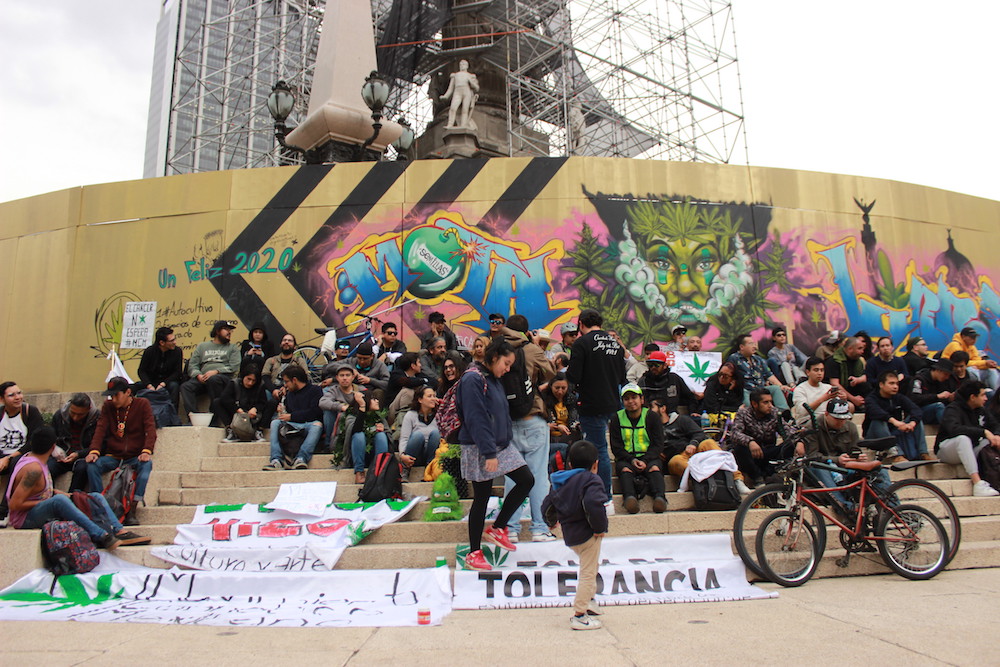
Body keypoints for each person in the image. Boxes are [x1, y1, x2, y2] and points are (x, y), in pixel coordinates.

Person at [459, 339, 534, 571]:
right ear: (494, 358)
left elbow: (500, 412)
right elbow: (476, 417)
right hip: (481, 446)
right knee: (481, 497)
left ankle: (498, 527)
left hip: (500, 444)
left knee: (526, 480)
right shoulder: (473, 378)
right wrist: (489, 452)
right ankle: (474, 552)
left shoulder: (492, 378)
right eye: (506, 363)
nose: (508, 368)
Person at [7, 427, 149, 549]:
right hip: (24, 519)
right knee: (59, 501)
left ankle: (119, 531)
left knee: (94, 496)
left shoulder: (38, 462)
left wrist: (57, 493)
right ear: (52, 447)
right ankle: (102, 536)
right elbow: (14, 504)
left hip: (40, 508)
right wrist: (51, 501)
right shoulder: (33, 469)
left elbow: (38, 492)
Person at [500, 315, 557, 542]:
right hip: (532, 417)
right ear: (526, 332)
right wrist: (533, 345)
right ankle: (540, 528)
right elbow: (551, 373)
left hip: (506, 420)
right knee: (538, 475)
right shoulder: (530, 349)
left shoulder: (497, 348)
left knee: (512, 477)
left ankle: (511, 529)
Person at [541, 440, 607, 631]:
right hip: (588, 533)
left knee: (592, 565)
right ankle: (580, 614)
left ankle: (590, 601)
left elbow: (546, 505)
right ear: (595, 464)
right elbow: (593, 505)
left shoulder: (560, 480)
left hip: (570, 534)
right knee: (588, 572)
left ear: (570, 464)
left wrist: (552, 523)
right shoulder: (592, 480)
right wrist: (599, 528)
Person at [566, 309, 626, 507]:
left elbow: (573, 376)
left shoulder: (582, 343)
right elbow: (621, 376)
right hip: (613, 402)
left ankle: (604, 498)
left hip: (592, 403)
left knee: (598, 450)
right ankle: (604, 496)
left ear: (581, 323)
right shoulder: (615, 344)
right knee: (602, 450)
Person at [86, 378, 157, 526]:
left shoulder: (142, 404)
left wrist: (146, 450)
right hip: (113, 456)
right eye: (111, 396)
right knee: (93, 466)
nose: (113, 399)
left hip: (134, 456)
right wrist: (94, 451)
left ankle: (132, 509)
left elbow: (150, 429)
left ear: (128, 392)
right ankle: (101, 506)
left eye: (116, 395)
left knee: (146, 467)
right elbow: (100, 429)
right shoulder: (108, 406)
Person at [800, 398, 892, 505]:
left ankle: (893, 508)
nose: (841, 422)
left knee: (881, 471)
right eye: (837, 419)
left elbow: (855, 450)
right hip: (824, 467)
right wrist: (836, 459)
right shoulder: (812, 427)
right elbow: (812, 456)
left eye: (844, 418)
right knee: (818, 468)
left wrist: (857, 457)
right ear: (826, 414)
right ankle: (844, 505)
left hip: (847, 467)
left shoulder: (850, 427)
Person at [653, 399, 751, 495]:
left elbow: (699, 434)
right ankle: (709, 482)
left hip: (693, 451)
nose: (649, 411)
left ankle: (737, 479)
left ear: (663, 409)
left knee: (708, 443)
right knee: (676, 462)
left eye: (652, 407)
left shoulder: (681, 420)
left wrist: (693, 444)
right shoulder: (651, 428)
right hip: (677, 457)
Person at [934, 380, 1000, 497]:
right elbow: (954, 429)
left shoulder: (981, 410)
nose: (986, 398)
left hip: (970, 450)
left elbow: (994, 425)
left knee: (988, 441)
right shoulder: (953, 409)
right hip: (948, 450)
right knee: (963, 439)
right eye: (982, 395)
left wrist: (996, 436)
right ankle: (977, 483)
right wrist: (983, 432)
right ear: (973, 397)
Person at [608, 384, 667, 514]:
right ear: (623, 402)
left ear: (642, 399)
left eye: (634, 397)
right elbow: (616, 447)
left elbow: (658, 444)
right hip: (626, 458)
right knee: (625, 469)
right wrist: (631, 459)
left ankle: (660, 498)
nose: (631, 402)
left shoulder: (652, 417)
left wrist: (645, 460)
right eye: (627, 399)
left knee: (655, 468)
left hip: (649, 457)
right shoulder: (616, 418)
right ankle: (630, 499)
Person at [727, 388, 801, 486]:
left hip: (768, 451)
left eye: (771, 402)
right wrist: (750, 442)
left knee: (790, 445)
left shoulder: (774, 412)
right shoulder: (743, 414)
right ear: (754, 404)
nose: (770, 406)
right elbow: (735, 433)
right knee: (739, 449)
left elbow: (787, 430)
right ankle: (758, 478)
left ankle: (774, 475)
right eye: (765, 402)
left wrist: (799, 442)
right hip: (750, 454)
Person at [263, 365, 323, 471]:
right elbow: (289, 412)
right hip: (293, 424)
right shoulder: (290, 393)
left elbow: (315, 412)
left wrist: (292, 416)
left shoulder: (315, 390)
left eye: (287, 382)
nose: (285, 385)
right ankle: (276, 459)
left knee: (317, 425)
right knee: (275, 423)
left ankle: (301, 458)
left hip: (308, 424)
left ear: (294, 380)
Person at [0, 381, 45, 524]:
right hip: (2, 454)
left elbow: (34, 441)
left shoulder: (30, 412)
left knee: (15, 463)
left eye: (19, 393)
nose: (18, 397)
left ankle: (4, 511)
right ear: (2, 399)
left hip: (23, 455)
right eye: (12, 395)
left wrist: (8, 458)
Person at [181, 320, 240, 423]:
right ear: (217, 331)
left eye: (230, 330)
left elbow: (234, 367)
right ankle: (193, 418)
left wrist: (216, 371)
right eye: (226, 329)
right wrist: (198, 375)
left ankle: (214, 418)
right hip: (203, 378)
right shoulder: (202, 346)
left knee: (214, 379)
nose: (229, 332)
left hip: (222, 379)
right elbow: (192, 365)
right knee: (185, 387)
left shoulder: (233, 348)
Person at [864, 371, 928, 462]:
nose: (895, 386)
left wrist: (912, 423)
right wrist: (895, 422)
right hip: (875, 435)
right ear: (881, 384)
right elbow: (876, 412)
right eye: (891, 383)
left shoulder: (899, 397)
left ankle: (923, 453)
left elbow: (916, 410)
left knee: (917, 420)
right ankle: (896, 455)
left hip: (894, 432)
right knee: (879, 420)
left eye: (897, 384)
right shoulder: (871, 398)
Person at [49, 393, 100, 492]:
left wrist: (79, 454)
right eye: (73, 413)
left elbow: (101, 444)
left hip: (83, 456)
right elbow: (51, 437)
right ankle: (48, 497)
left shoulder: (98, 418)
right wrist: (55, 449)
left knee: (83, 468)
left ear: (88, 409)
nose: (75, 417)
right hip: (62, 455)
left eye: (80, 415)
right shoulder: (60, 416)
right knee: (48, 467)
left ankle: (73, 499)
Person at [727, 334, 790, 410]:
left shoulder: (758, 359)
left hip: (761, 388)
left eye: (754, 343)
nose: (754, 346)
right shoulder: (734, 358)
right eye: (750, 344)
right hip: (747, 390)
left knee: (776, 389)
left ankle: (784, 415)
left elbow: (769, 375)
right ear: (742, 347)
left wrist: (780, 386)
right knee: (744, 394)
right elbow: (729, 374)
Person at [213, 364, 270, 442]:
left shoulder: (260, 386)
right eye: (248, 379)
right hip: (237, 414)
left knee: (272, 403)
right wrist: (237, 410)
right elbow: (225, 398)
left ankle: (259, 431)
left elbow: (263, 402)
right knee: (217, 402)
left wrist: (255, 409)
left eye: (253, 381)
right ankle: (231, 431)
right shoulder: (234, 383)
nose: (250, 383)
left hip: (253, 416)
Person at [348, 392, 390, 485]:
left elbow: (390, 441)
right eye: (373, 399)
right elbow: (355, 430)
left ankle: (380, 471)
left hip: (374, 455)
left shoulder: (379, 417)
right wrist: (362, 407)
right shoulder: (351, 415)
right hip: (356, 455)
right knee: (359, 435)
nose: (377, 401)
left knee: (381, 435)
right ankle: (359, 473)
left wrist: (383, 431)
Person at [136, 326, 184, 407]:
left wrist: (163, 384)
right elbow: (141, 371)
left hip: (167, 382)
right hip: (151, 381)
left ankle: (173, 415)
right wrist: (148, 384)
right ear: (162, 343)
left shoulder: (177, 351)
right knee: (134, 387)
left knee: (174, 386)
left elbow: (177, 372)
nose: (175, 342)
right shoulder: (149, 351)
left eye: (174, 339)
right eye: (171, 340)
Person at [399, 386, 440, 479]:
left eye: (434, 396)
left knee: (436, 433)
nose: (433, 398)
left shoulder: (438, 415)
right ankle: (405, 470)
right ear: (420, 400)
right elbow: (404, 438)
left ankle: (430, 469)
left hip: (431, 454)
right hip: (415, 454)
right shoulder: (410, 415)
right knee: (418, 435)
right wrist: (402, 455)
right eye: (429, 396)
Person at [942, 326, 1000, 391]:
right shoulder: (955, 345)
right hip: (952, 371)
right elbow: (962, 363)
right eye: (972, 337)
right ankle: (977, 391)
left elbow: (977, 360)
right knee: (972, 370)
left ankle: (997, 393)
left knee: (991, 370)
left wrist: (986, 365)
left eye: (975, 337)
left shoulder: (971, 346)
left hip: (964, 369)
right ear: (963, 337)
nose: (974, 340)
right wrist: (984, 363)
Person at [791, 356, 843, 426]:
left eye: (822, 370)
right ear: (808, 372)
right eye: (816, 370)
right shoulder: (800, 389)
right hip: (808, 421)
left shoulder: (828, 387)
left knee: (849, 423)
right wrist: (823, 399)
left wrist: (843, 400)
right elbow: (802, 412)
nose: (819, 373)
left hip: (828, 420)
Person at [824, 336, 871, 410]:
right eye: (859, 349)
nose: (862, 352)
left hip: (853, 391)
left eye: (863, 349)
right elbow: (834, 383)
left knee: (867, 386)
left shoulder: (859, 361)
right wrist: (853, 399)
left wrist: (858, 379)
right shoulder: (833, 361)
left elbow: (866, 376)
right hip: (837, 395)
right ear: (850, 349)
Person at [910, 358, 958, 425]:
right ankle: (950, 430)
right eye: (945, 374)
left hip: (934, 413)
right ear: (938, 370)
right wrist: (937, 396)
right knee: (939, 406)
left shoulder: (942, 382)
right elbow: (914, 398)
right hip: (918, 412)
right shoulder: (919, 379)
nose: (947, 377)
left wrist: (949, 398)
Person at [261, 333, 309, 398]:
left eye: (290, 341)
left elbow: (305, 378)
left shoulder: (300, 361)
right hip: (273, 390)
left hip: (292, 391)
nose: (286, 342)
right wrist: (273, 390)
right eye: (284, 340)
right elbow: (265, 376)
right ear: (280, 344)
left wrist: (287, 388)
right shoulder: (271, 360)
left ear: (295, 346)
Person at [542, 374, 580, 447]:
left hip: (569, 435)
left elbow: (574, 419)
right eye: (557, 388)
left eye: (563, 388)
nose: (560, 391)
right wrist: (557, 427)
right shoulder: (544, 400)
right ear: (551, 386)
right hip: (550, 436)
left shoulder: (571, 399)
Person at [441, 59, 480, 129]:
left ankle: (463, 125)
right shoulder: (455, 75)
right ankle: (450, 124)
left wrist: (471, 83)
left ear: (467, 66)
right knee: (452, 108)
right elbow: (450, 88)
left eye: (464, 64)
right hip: (457, 92)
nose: (462, 66)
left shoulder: (470, 76)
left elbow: (477, 88)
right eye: (460, 65)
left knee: (465, 110)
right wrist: (446, 96)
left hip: (466, 92)